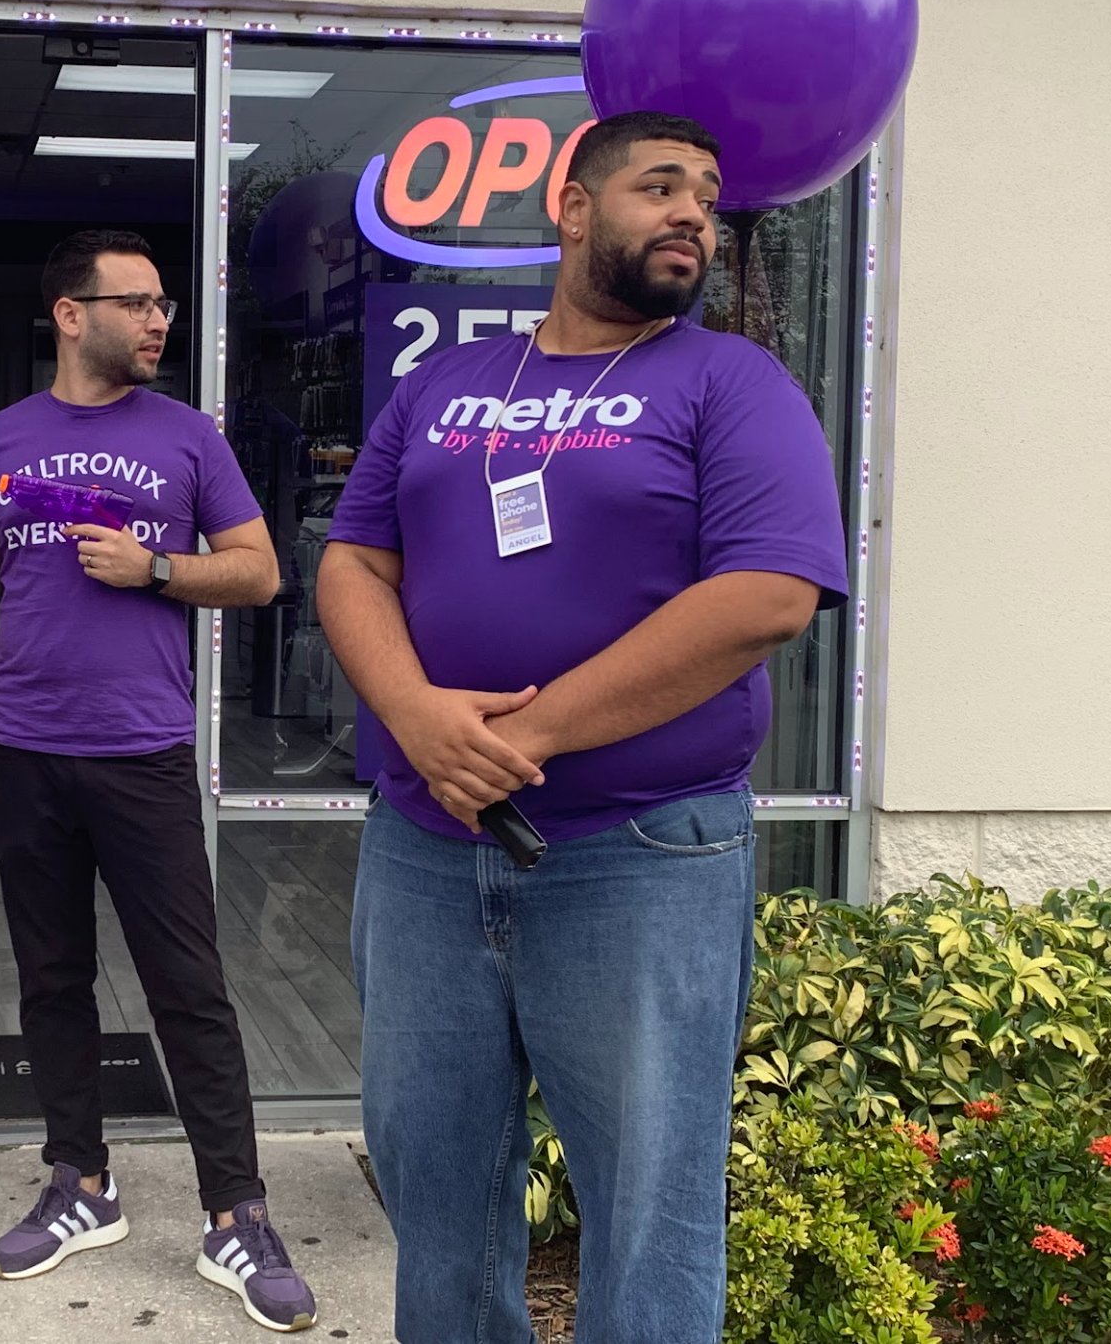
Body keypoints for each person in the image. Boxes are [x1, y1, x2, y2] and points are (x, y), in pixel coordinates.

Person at [317, 111, 847, 1344]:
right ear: (570, 208)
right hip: (424, 851)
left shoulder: (730, 382)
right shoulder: (443, 384)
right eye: (658, 186)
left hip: (639, 854)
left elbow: (765, 594)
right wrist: (412, 714)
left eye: (704, 195)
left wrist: (529, 735)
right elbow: (352, 560)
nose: (690, 213)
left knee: (649, 1206)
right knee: (434, 1186)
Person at [0, 230, 318, 1333]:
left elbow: (260, 573)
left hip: (141, 752)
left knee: (186, 984)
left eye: (162, 306)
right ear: (69, 313)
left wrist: (155, 568)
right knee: (51, 979)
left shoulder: (187, 436)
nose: (156, 322)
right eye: (135, 303)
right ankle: (80, 1184)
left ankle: (235, 1212)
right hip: (23, 749)